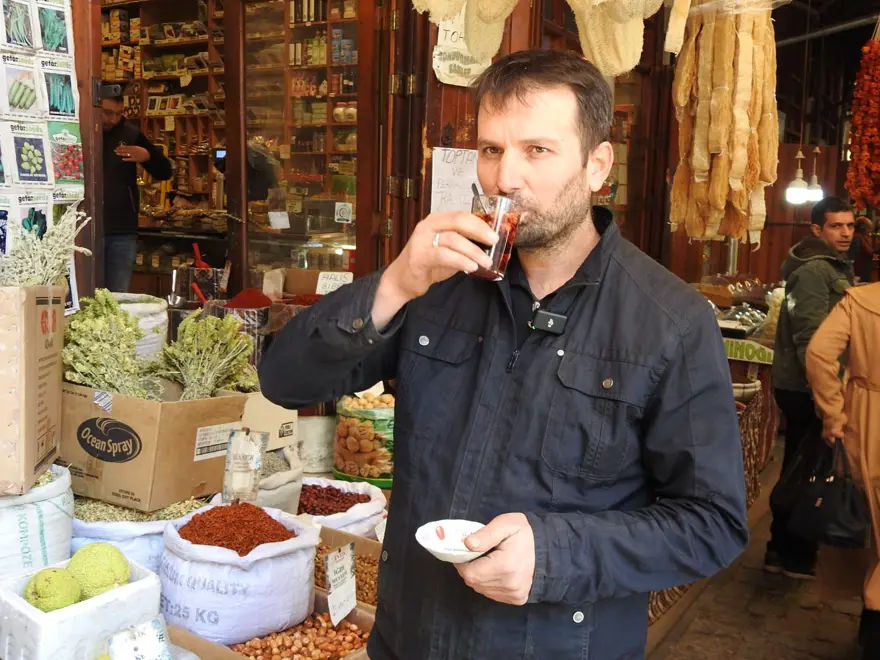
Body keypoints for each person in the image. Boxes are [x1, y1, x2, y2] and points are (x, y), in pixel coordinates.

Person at [260, 50, 748, 660]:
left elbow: (712, 524)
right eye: (491, 150)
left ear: (598, 165)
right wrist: (396, 284)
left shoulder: (670, 322)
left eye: (536, 150)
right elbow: (284, 382)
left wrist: (555, 553)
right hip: (408, 636)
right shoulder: (439, 285)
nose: (504, 178)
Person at [768, 196, 855, 579]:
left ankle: (784, 550)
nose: (847, 233)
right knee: (808, 471)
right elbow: (812, 338)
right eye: (837, 226)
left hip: (806, 383)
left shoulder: (828, 266)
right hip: (805, 386)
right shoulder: (816, 271)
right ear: (817, 229)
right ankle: (793, 553)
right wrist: (826, 398)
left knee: (802, 467)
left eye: (850, 226)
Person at [806, 283, 880, 660]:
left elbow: (819, 353)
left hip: (866, 423)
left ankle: (872, 625)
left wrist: (834, 413)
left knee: (873, 526)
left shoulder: (862, 301)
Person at [101, 94, 172, 292]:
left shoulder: (130, 134)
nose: (112, 119)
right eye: (107, 113)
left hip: (122, 231)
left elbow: (165, 171)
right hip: (85, 229)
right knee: (84, 295)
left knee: (117, 298)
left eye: (118, 113)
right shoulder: (81, 128)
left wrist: (147, 156)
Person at [848, 217, 874, 283]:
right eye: (869, 227)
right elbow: (851, 258)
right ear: (863, 227)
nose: (870, 230)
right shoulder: (856, 238)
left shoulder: (863, 237)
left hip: (864, 270)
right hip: (859, 272)